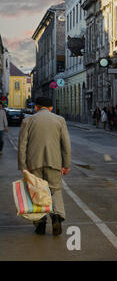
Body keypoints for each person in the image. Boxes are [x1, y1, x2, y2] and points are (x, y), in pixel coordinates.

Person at [17, 97, 71, 236]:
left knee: (36, 192)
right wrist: (66, 164)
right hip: (54, 162)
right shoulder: (60, 120)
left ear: (36, 107)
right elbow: (66, 145)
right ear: (51, 108)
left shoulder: (28, 121)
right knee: (55, 190)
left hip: (33, 163)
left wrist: (23, 166)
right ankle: (57, 217)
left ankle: (40, 223)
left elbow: (22, 145)